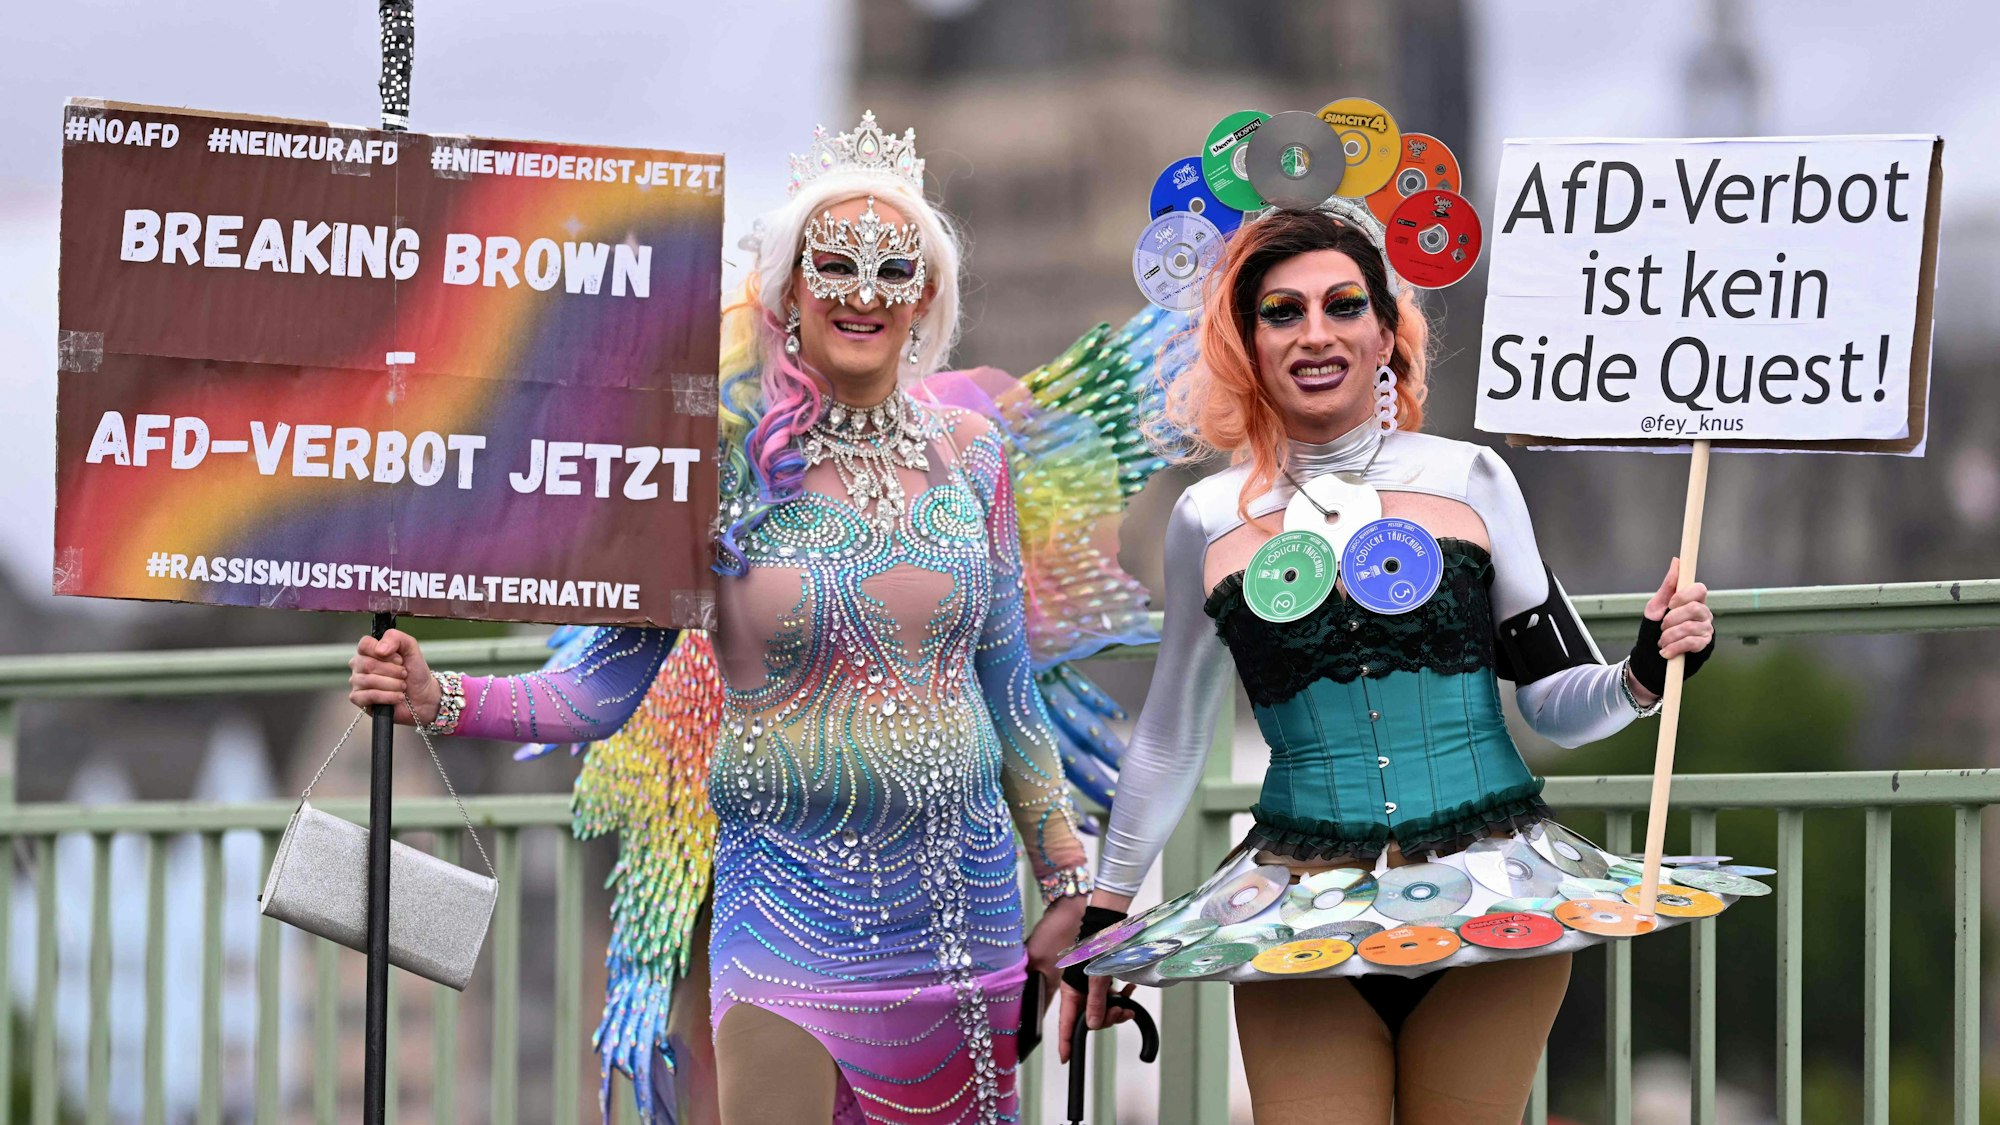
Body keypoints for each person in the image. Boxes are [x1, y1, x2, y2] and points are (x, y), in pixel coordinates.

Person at [348, 112, 1095, 1125]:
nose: (864, 293)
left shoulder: (973, 454)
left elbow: (1005, 679)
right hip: (786, 919)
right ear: (787, 290)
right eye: (835, 266)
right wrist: (441, 696)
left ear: (926, 295)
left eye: (893, 270)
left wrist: (1064, 875)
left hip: (964, 924)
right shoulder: (718, 466)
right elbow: (598, 688)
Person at [1057, 203, 1726, 1125]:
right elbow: (1172, 736)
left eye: (1342, 304)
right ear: (1245, 343)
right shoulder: (1206, 518)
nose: (1315, 333)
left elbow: (1553, 702)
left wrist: (1643, 672)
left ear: (1386, 330)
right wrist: (1106, 912)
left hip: (1495, 892)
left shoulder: (1470, 478)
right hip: (1296, 910)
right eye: (1281, 312)